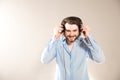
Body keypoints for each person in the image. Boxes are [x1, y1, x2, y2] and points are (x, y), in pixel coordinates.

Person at [41, 16, 105, 80]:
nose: (71, 34)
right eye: (68, 30)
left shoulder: (85, 44)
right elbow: (45, 60)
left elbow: (100, 59)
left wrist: (88, 36)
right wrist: (55, 37)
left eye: (74, 30)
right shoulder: (57, 44)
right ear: (63, 31)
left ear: (80, 31)